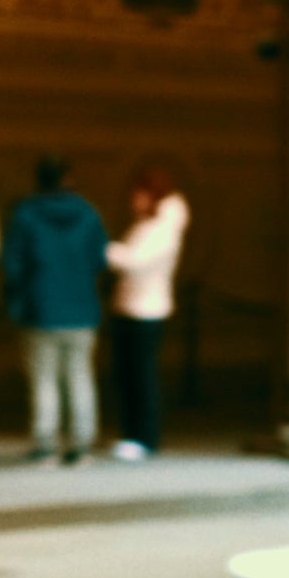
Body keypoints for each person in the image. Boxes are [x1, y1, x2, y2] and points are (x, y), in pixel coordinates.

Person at [1, 156, 109, 466]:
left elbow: (13, 264)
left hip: (41, 308)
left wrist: (17, 300)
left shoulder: (26, 215)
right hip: (82, 308)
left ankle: (45, 443)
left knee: (44, 379)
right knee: (80, 376)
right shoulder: (88, 214)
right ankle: (81, 443)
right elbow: (100, 259)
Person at [105, 167, 189, 462]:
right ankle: (133, 433)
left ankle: (144, 436)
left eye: (139, 194)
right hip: (133, 308)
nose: (133, 200)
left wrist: (104, 250)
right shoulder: (148, 225)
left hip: (145, 311)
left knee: (141, 376)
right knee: (130, 375)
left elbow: (136, 261)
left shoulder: (161, 229)